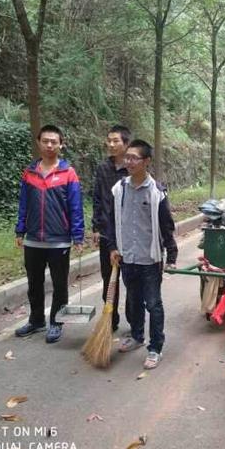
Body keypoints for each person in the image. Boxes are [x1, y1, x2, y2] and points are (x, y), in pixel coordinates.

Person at [107, 139, 178, 369]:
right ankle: (137, 336)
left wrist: (172, 256)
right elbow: (112, 220)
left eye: (134, 158)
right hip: (128, 256)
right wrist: (113, 247)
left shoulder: (156, 192)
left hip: (150, 259)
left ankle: (155, 347)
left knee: (153, 303)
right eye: (127, 157)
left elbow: (166, 225)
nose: (129, 162)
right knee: (133, 300)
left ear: (146, 161)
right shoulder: (119, 189)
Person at [14, 124, 85, 343]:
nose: (49, 145)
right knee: (34, 284)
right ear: (39, 143)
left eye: (54, 141)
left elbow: (75, 206)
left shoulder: (68, 173)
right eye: (45, 141)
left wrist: (78, 235)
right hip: (33, 240)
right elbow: (23, 203)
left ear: (61, 144)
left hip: (59, 240)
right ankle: (36, 321)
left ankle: (56, 322)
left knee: (60, 284)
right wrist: (20, 230)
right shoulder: (30, 173)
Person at [92, 125, 131, 332]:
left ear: (126, 143)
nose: (112, 144)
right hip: (108, 232)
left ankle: (135, 322)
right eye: (109, 140)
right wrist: (96, 227)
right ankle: (111, 319)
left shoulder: (133, 168)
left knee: (132, 280)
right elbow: (97, 199)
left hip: (130, 234)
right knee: (109, 279)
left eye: (116, 141)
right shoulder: (103, 168)